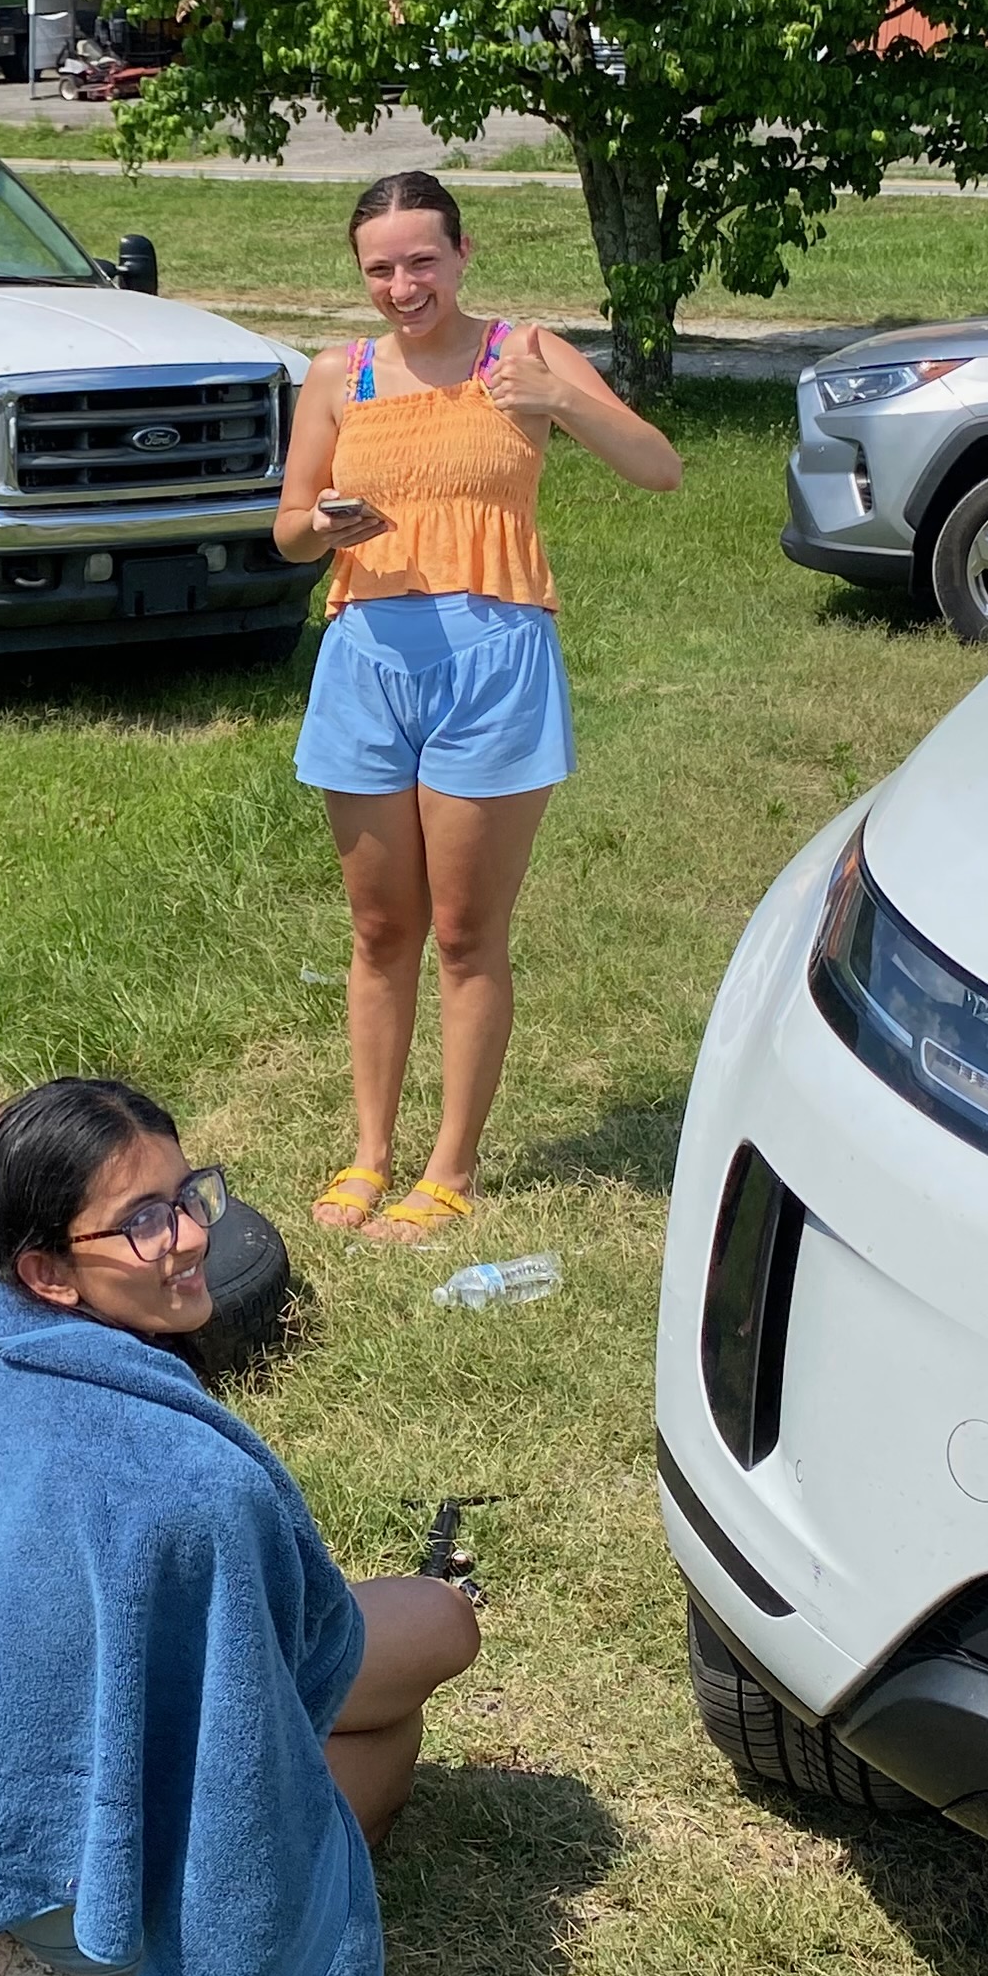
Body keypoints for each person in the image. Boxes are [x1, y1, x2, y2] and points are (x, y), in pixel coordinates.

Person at [0, 1078, 480, 1976]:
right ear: (50, 1271)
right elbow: (265, 1704)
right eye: (141, 1223)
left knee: (417, 1626)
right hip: (78, 1905)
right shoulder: (189, 1482)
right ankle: (90, 1956)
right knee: (411, 1681)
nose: (193, 1238)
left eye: (186, 1196)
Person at [274, 170, 680, 1244]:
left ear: (461, 254)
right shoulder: (337, 374)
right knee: (377, 926)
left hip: (495, 662)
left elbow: (660, 469)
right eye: (380, 268)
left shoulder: (526, 356)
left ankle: (448, 1167)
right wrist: (325, 523)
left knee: (463, 930)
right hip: (365, 656)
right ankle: (368, 1154)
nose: (404, 285)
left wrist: (565, 405)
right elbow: (285, 529)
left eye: (422, 260)